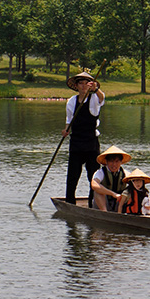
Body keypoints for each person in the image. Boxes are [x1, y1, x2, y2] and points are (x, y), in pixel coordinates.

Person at [62, 71, 105, 205]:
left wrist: (96, 89)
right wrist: (66, 130)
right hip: (76, 142)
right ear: (76, 85)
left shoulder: (94, 99)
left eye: (87, 83)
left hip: (91, 143)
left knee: (93, 175)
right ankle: (70, 203)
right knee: (72, 176)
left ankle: (93, 202)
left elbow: (102, 98)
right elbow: (69, 120)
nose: (84, 86)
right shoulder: (72, 101)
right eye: (81, 83)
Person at [91, 145, 131, 211]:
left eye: (117, 161)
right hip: (103, 204)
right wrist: (113, 194)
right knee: (97, 191)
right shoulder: (100, 172)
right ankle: (105, 213)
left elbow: (137, 185)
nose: (114, 164)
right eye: (111, 161)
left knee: (132, 191)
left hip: (119, 204)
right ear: (106, 162)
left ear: (121, 162)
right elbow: (94, 185)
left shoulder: (125, 173)